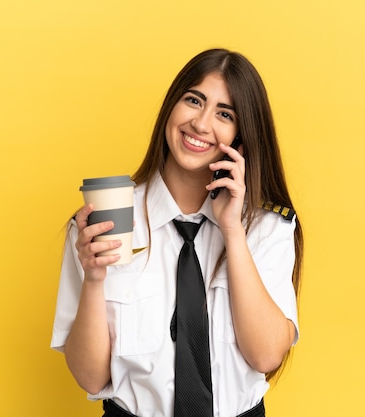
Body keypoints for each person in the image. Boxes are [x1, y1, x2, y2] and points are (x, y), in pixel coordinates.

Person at [51, 48, 304, 417]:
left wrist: (232, 231)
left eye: (224, 114)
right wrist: (93, 279)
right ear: (171, 107)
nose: (201, 124)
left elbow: (265, 355)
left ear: (241, 138)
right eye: (193, 100)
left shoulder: (265, 228)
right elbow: (91, 378)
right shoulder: (105, 222)